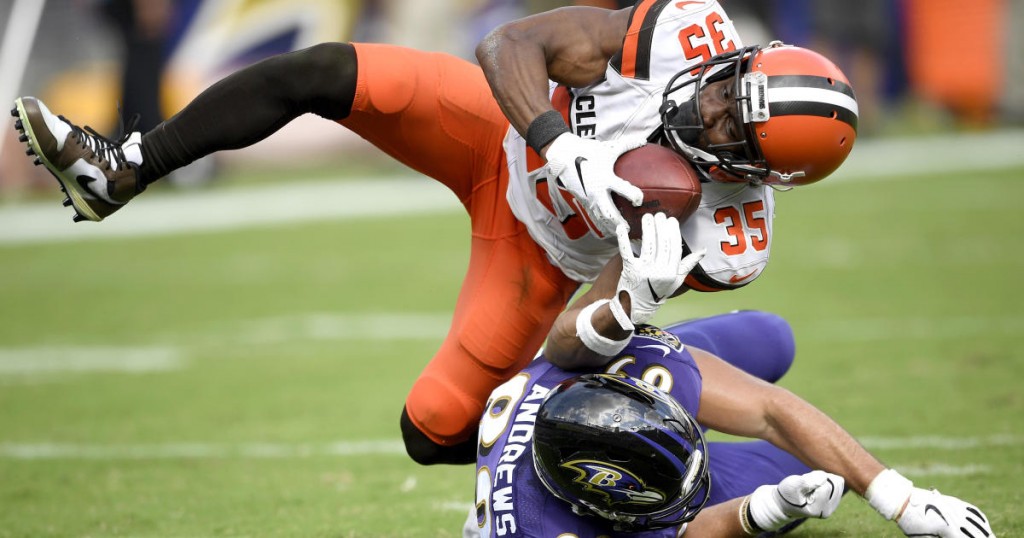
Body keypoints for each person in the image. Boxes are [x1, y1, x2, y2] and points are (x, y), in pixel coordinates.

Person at [10, 1, 857, 465]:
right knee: (325, 72)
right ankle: (123, 168)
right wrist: (564, 147)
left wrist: (631, 298)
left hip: (539, 257)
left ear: (759, 172)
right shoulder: (680, 36)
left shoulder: (728, 232)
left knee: (435, 430)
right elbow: (508, 45)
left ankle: (597, 461)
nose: (710, 106)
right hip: (495, 132)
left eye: (731, 127)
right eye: (729, 87)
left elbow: (569, 341)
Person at [468, 311, 996, 537]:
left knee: (772, 337)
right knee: (795, 467)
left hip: (599, 385)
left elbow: (769, 410)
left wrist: (901, 500)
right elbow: (685, 533)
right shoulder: (548, 528)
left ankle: (673, 444)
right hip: (550, 507)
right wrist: (768, 508)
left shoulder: (632, 372)